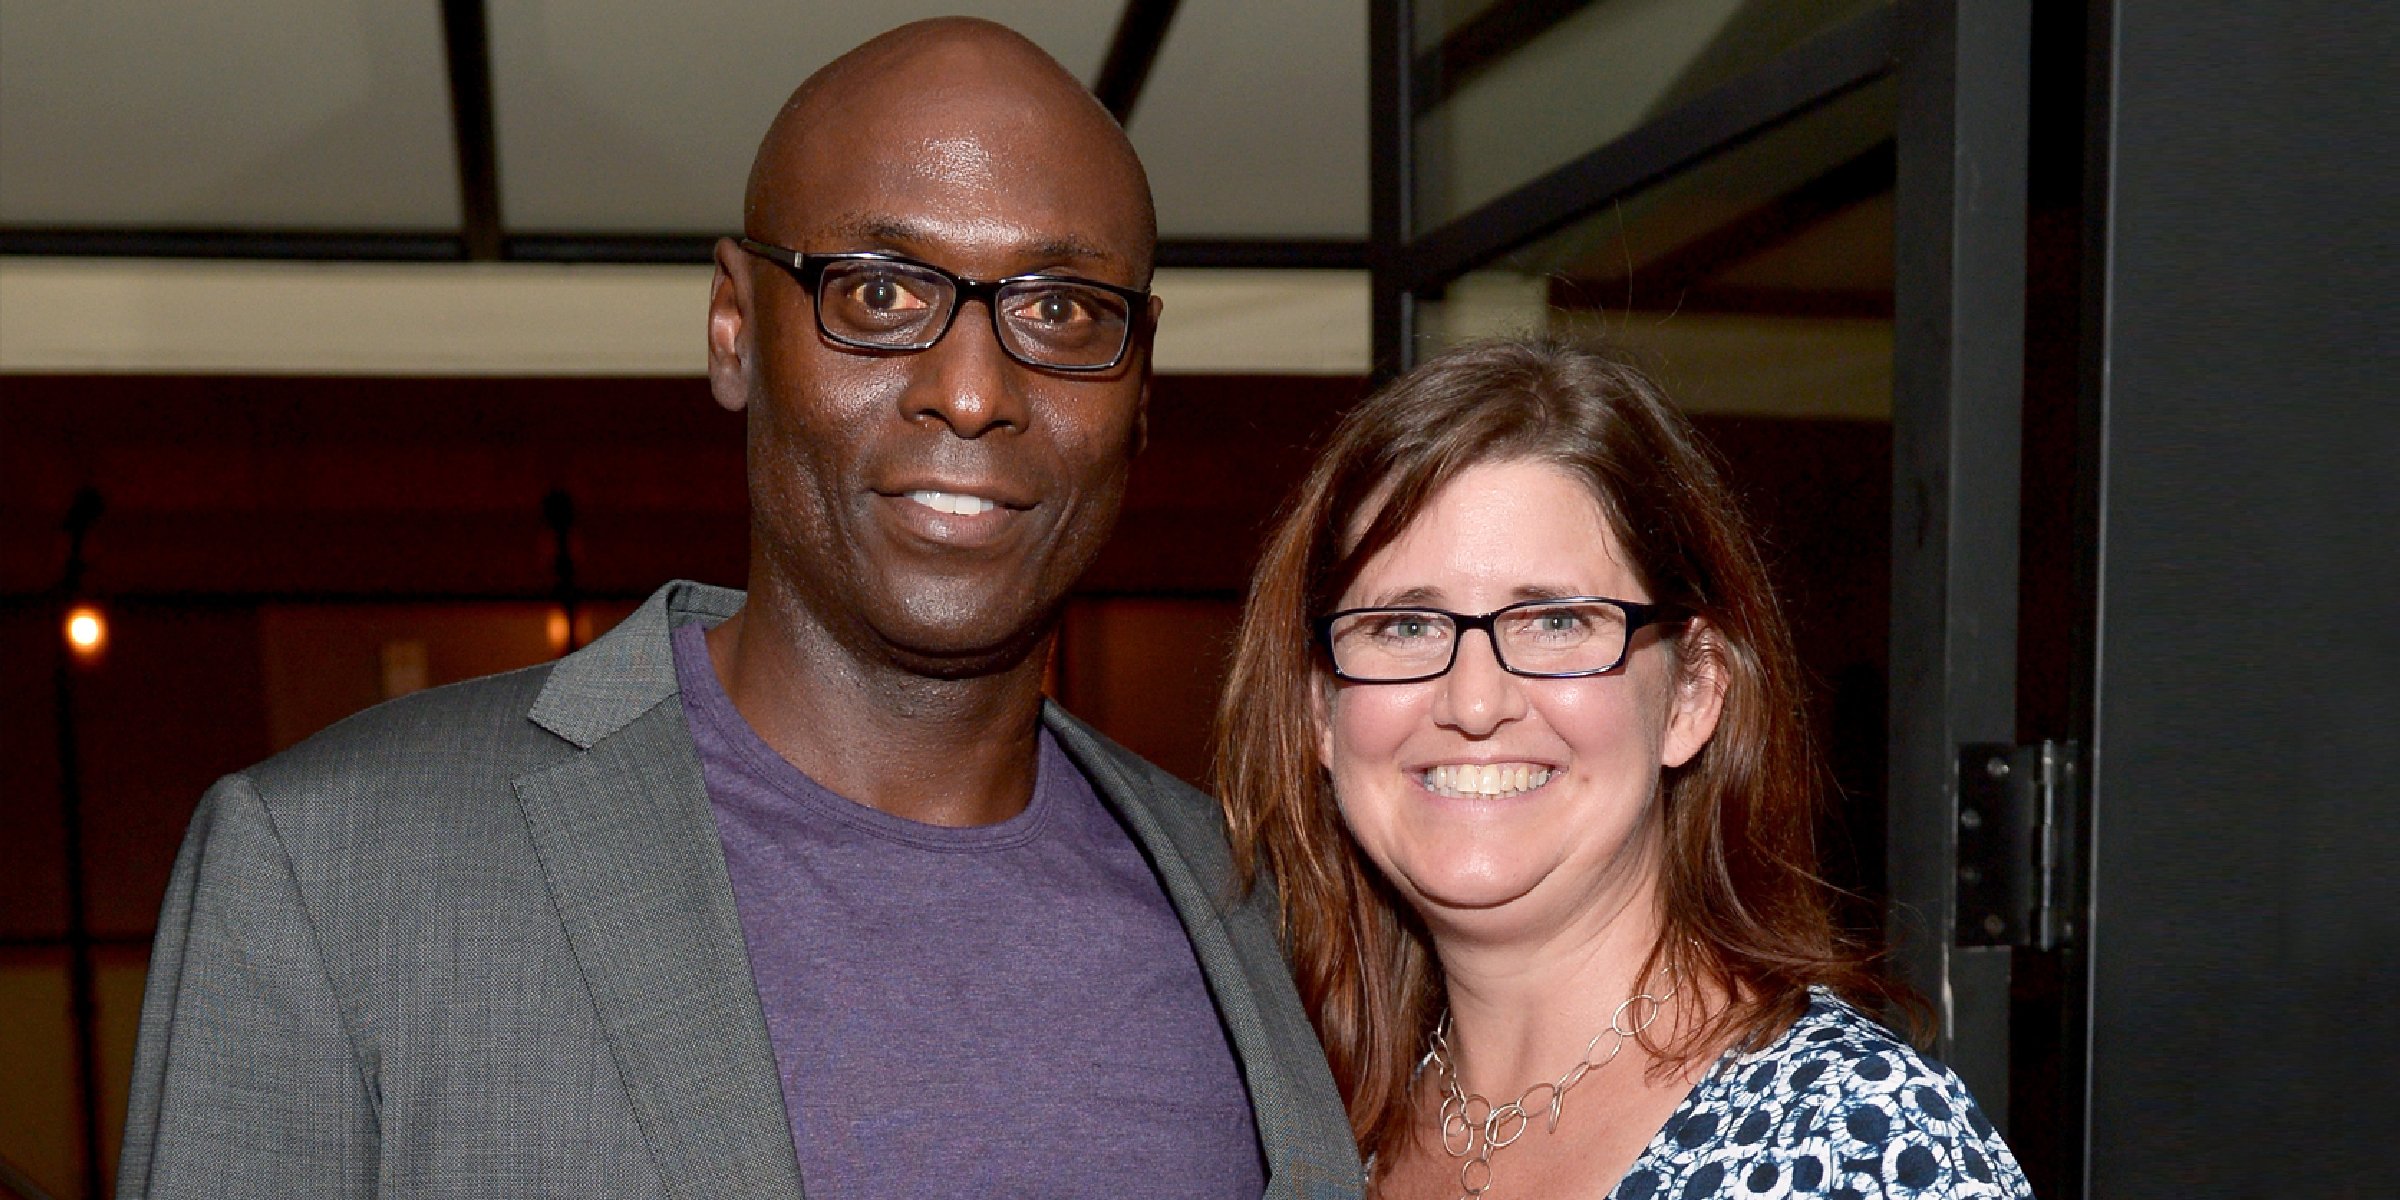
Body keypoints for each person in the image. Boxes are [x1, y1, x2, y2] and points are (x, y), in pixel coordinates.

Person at [116, 19, 1360, 1199]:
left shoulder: (1256, 905)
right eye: (881, 292)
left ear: (1142, 380)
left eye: (1060, 310)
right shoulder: (334, 868)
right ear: (733, 328)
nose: (972, 392)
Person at [1216, 340, 2030, 1198]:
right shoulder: (1302, 1131)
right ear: (1320, 712)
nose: (1475, 701)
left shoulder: (1861, 1143)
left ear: (1693, 693)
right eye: (1406, 627)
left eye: (1559, 622)